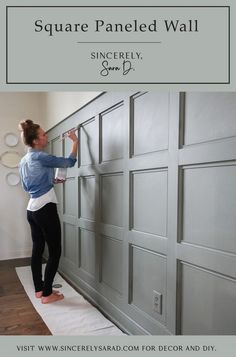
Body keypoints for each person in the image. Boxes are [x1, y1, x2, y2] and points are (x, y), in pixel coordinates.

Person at [18, 119, 78, 304]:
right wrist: (75, 142)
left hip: (32, 208)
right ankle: (47, 295)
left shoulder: (24, 160)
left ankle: (39, 290)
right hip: (45, 207)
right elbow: (69, 162)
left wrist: (51, 182)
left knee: (38, 249)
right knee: (55, 251)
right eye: (43, 134)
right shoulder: (40, 156)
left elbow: (27, 185)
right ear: (35, 140)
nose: (46, 136)